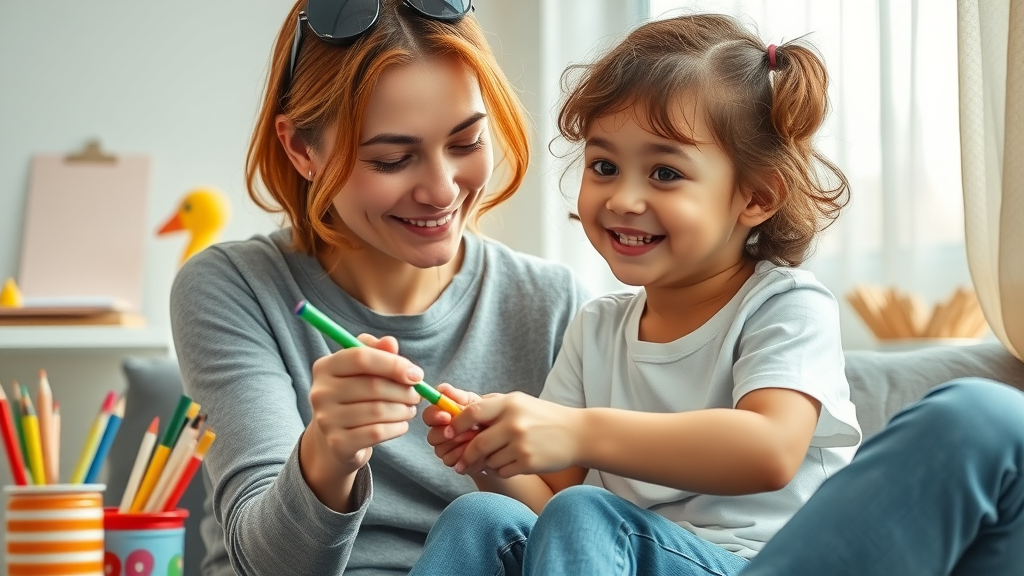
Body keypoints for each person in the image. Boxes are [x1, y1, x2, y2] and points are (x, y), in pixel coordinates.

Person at [410, 14, 1024, 576]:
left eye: (666, 173)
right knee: (481, 517)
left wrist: (576, 430)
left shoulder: (786, 305)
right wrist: (491, 457)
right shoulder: (596, 328)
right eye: (603, 166)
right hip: (622, 554)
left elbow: (770, 448)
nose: (623, 198)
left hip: (752, 564)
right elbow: (544, 502)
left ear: (756, 198)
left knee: (586, 511)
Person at [168, 1, 592, 574]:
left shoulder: (553, 303)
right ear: (301, 149)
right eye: (393, 159)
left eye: (466, 143)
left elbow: (585, 545)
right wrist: (329, 452)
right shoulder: (234, 288)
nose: (442, 191)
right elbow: (265, 565)